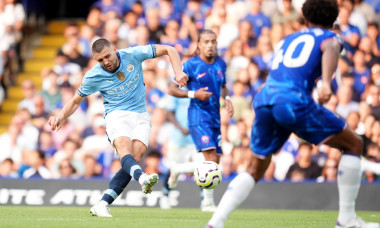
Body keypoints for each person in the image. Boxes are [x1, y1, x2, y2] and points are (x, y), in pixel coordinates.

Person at [206, 1, 379, 228]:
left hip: (265, 100)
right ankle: (346, 219)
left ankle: (215, 222)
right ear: (332, 21)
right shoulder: (330, 37)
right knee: (354, 144)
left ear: (305, 19)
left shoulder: (287, 40)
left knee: (255, 168)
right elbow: (331, 47)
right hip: (292, 101)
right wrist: (326, 83)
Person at [48, 38, 188, 217]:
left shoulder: (133, 54)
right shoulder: (93, 75)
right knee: (124, 148)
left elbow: (169, 49)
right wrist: (60, 116)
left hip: (141, 115)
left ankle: (102, 204)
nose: (105, 62)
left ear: (114, 49)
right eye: (100, 60)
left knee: (134, 158)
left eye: (107, 56)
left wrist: (178, 72)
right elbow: (76, 101)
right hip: (116, 115)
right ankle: (143, 178)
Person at [168, 29, 234, 212]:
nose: (210, 45)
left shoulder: (221, 64)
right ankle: (207, 203)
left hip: (215, 117)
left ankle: (179, 169)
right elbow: (171, 89)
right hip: (198, 116)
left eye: (213, 41)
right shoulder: (191, 66)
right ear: (199, 45)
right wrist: (193, 94)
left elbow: (224, 87)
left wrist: (227, 100)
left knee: (215, 162)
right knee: (210, 157)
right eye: (206, 42)